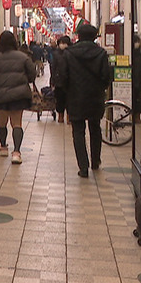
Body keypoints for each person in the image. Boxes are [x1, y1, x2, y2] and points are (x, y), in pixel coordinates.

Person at [57, 24, 112, 178]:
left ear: (78, 36)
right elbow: (106, 77)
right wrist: (100, 89)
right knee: (95, 129)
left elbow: (63, 77)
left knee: (78, 132)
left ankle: (83, 167)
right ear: (95, 37)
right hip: (95, 97)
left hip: (75, 97)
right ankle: (96, 161)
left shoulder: (68, 53)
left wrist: (69, 91)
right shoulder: (101, 54)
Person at [0, 31, 38, 164]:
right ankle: (16, 152)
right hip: (19, 96)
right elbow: (32, 75)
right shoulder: (23, 57)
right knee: (17, 123)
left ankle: (3, 147)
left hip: (0, 96)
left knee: (1, 122)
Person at [50, 36, 72, 123]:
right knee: (59, 99)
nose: (62, 45)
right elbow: (53, 68)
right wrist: (52, 80)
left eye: (64, 43)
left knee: (69, 100)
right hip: (58, 80)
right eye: (61, 43)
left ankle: (69, 117)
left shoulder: (71, 53)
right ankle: (61, 116)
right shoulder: (56, 54)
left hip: (70, 81)